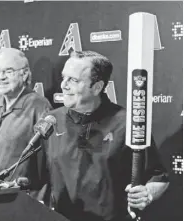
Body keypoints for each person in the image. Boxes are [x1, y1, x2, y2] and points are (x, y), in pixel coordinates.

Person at [44, 51, 169, 221]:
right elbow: (38, 178)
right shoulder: (52, 120)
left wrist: (147, 193)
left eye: (73, 80)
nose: (64, 85)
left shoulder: (127, 123)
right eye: (63, 77)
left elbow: (159, 177)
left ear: (97, 87)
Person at [0, 48, 52, 195]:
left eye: (8, 71)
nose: (1, 77)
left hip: (19, 197)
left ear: (24, 73)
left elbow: (48, 161)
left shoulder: (39, 105)